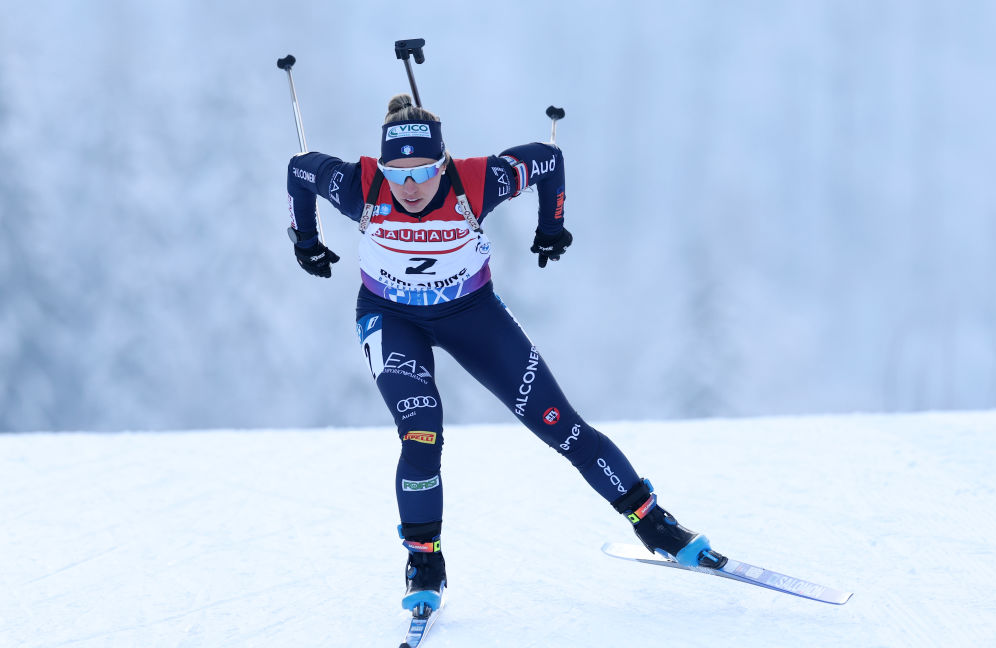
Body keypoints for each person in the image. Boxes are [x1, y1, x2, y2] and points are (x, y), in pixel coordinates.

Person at [285, 94, 725, 613]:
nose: (408, 186)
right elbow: (300, 170)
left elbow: (548, 160)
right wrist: (305, 239)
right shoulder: (360, 185)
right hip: (390, 319)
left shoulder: (475, 181)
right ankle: (425, 562)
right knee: (421, 431)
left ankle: (655, 524)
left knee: (561, 425)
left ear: (442, 163)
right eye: (396, 172)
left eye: (422, 171)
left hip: (473, 315)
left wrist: (551, 225)